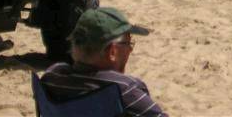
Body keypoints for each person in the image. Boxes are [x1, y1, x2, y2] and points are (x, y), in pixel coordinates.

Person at [39, 7, 168, 117]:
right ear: (112, 52)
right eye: (128, 43)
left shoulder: (51, 79)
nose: (130, 49)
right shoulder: (123, 90)